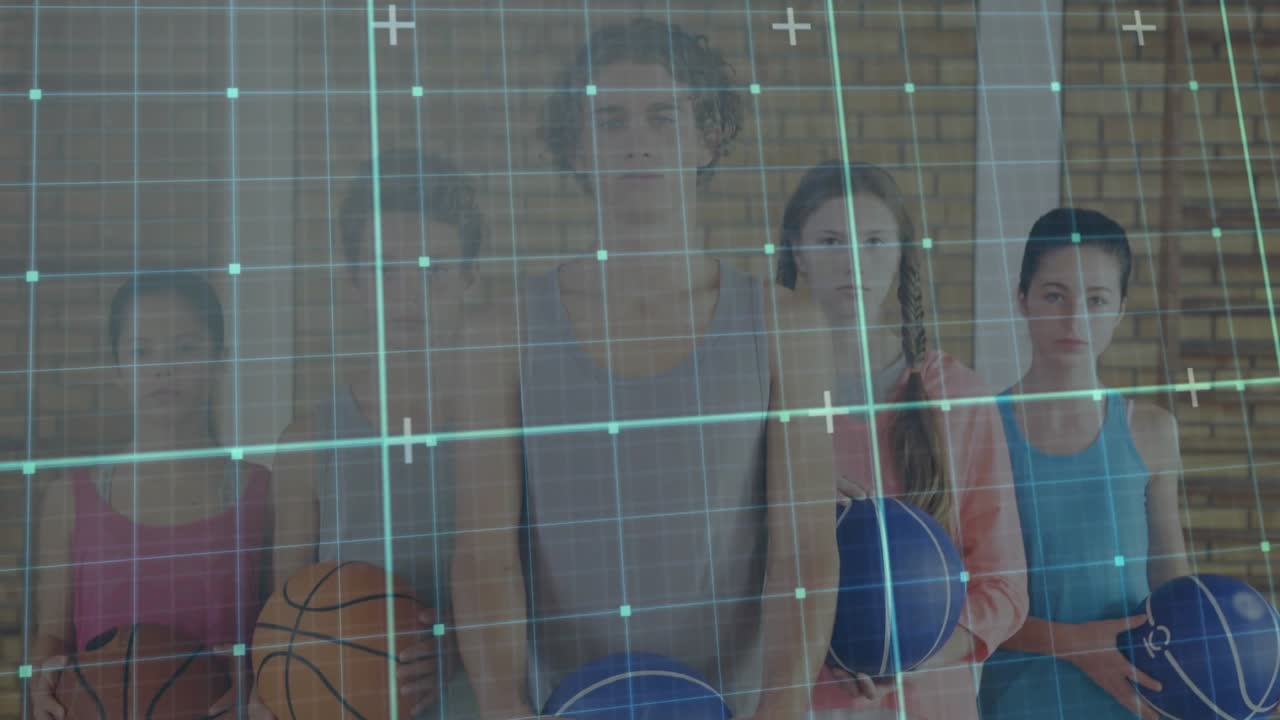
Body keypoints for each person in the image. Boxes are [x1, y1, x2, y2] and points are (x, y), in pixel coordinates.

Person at [450, 18, 839, 719]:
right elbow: (485, 556)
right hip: (562, 704)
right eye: (610, 119)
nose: (638, 141)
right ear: (576, 144)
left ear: (709, 134)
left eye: (665, 116)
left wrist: (780, 709)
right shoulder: (499, 333)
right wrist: (503, 706)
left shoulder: (785, 326)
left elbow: (804, 549)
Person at [776, 160, 1029, 719]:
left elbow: (1004, 589)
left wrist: (914, 658)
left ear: (901, 254)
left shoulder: (959, 397)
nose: (852, 260)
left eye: (872, 241)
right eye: (830, 240)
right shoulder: (757, 396)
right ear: (798, 254)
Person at [268, 150, 483, 718]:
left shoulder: (510, 433)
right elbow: (284, 623)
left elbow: (544, 587)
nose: (409, 293)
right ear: (354, 279)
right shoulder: (307, 445)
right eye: (385, 268)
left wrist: (461, 643)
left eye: (433, 269)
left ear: (469, 278)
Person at [28, 272, 274, 719]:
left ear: (220, 361)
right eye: (142, 351)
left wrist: (259, 670)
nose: (164, 368)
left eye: (185, 349)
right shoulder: (70, 497)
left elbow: (284, 633)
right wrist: (40, 679)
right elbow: (52, 635)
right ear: (117, 368)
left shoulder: (263, 493)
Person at [978, 207, 1192, 720]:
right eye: (1055, 295)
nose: (1075, 319)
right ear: (1022, 299)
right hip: (1015, 705)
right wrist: (1076, 644)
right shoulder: (977, 431)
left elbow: (1173, 583)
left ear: (1119, 309)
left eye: (1096, 300)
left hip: (1135, 702)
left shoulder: (1152, 431)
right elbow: (964, 600)